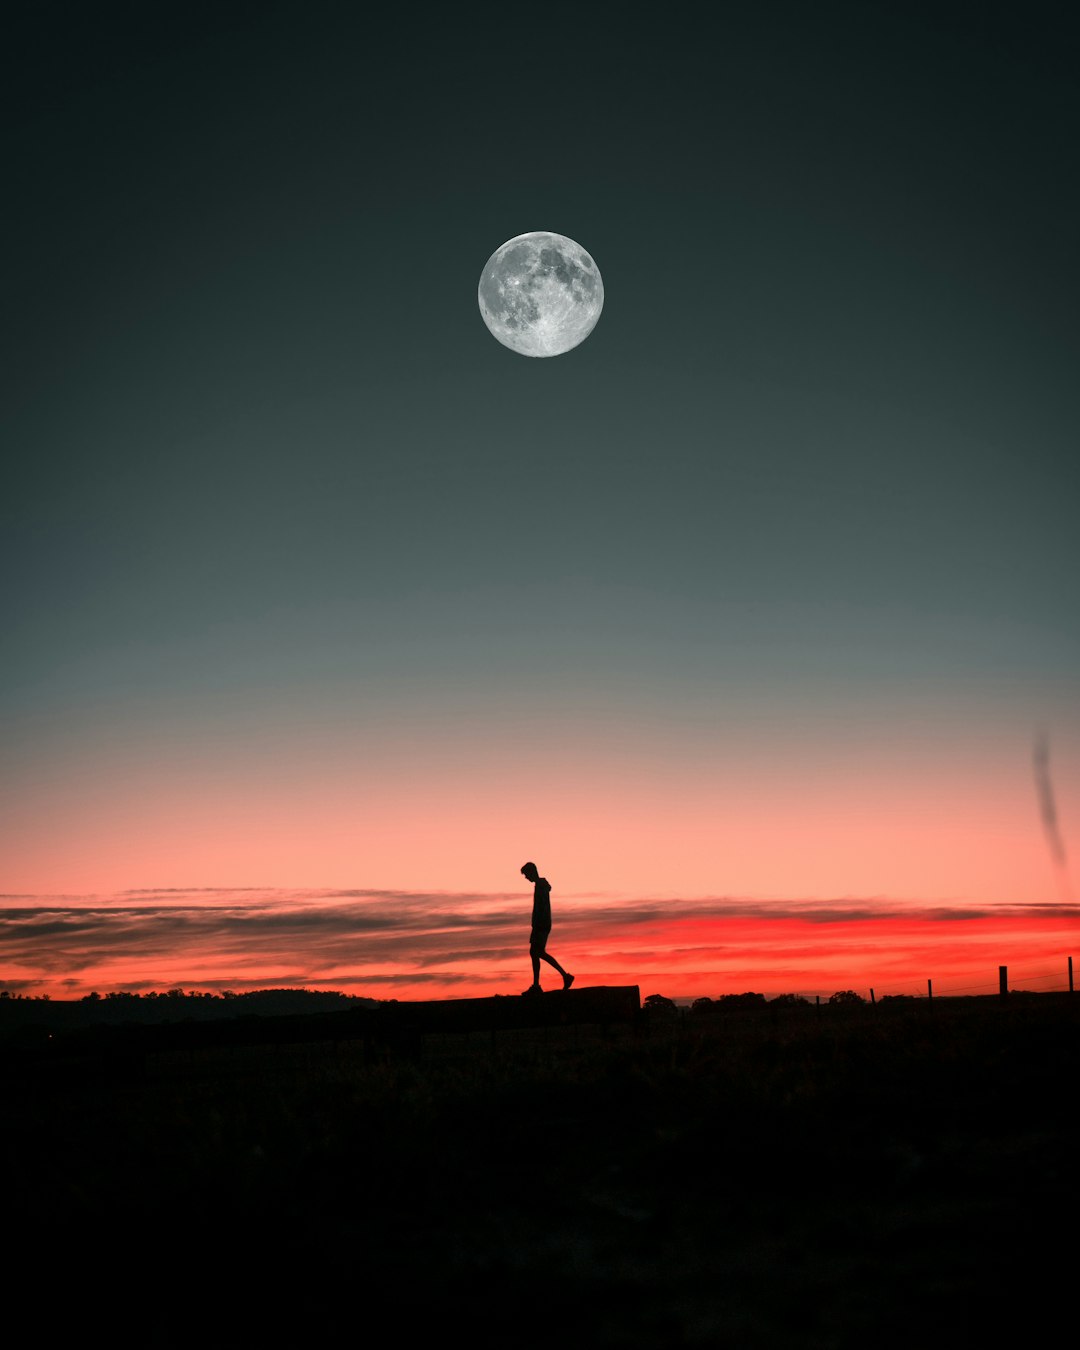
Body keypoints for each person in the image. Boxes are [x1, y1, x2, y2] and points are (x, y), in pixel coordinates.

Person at [520, 861, 573, 994]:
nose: (526, 878)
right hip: (540, 924)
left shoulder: (541, 885)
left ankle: (548, 981)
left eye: (526, 874)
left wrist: (538, 924)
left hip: (541, 924)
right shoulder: (540, 885)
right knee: (536, 953)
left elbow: (542, 907)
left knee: (537, 952)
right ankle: (540, 983)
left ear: (532, 872)